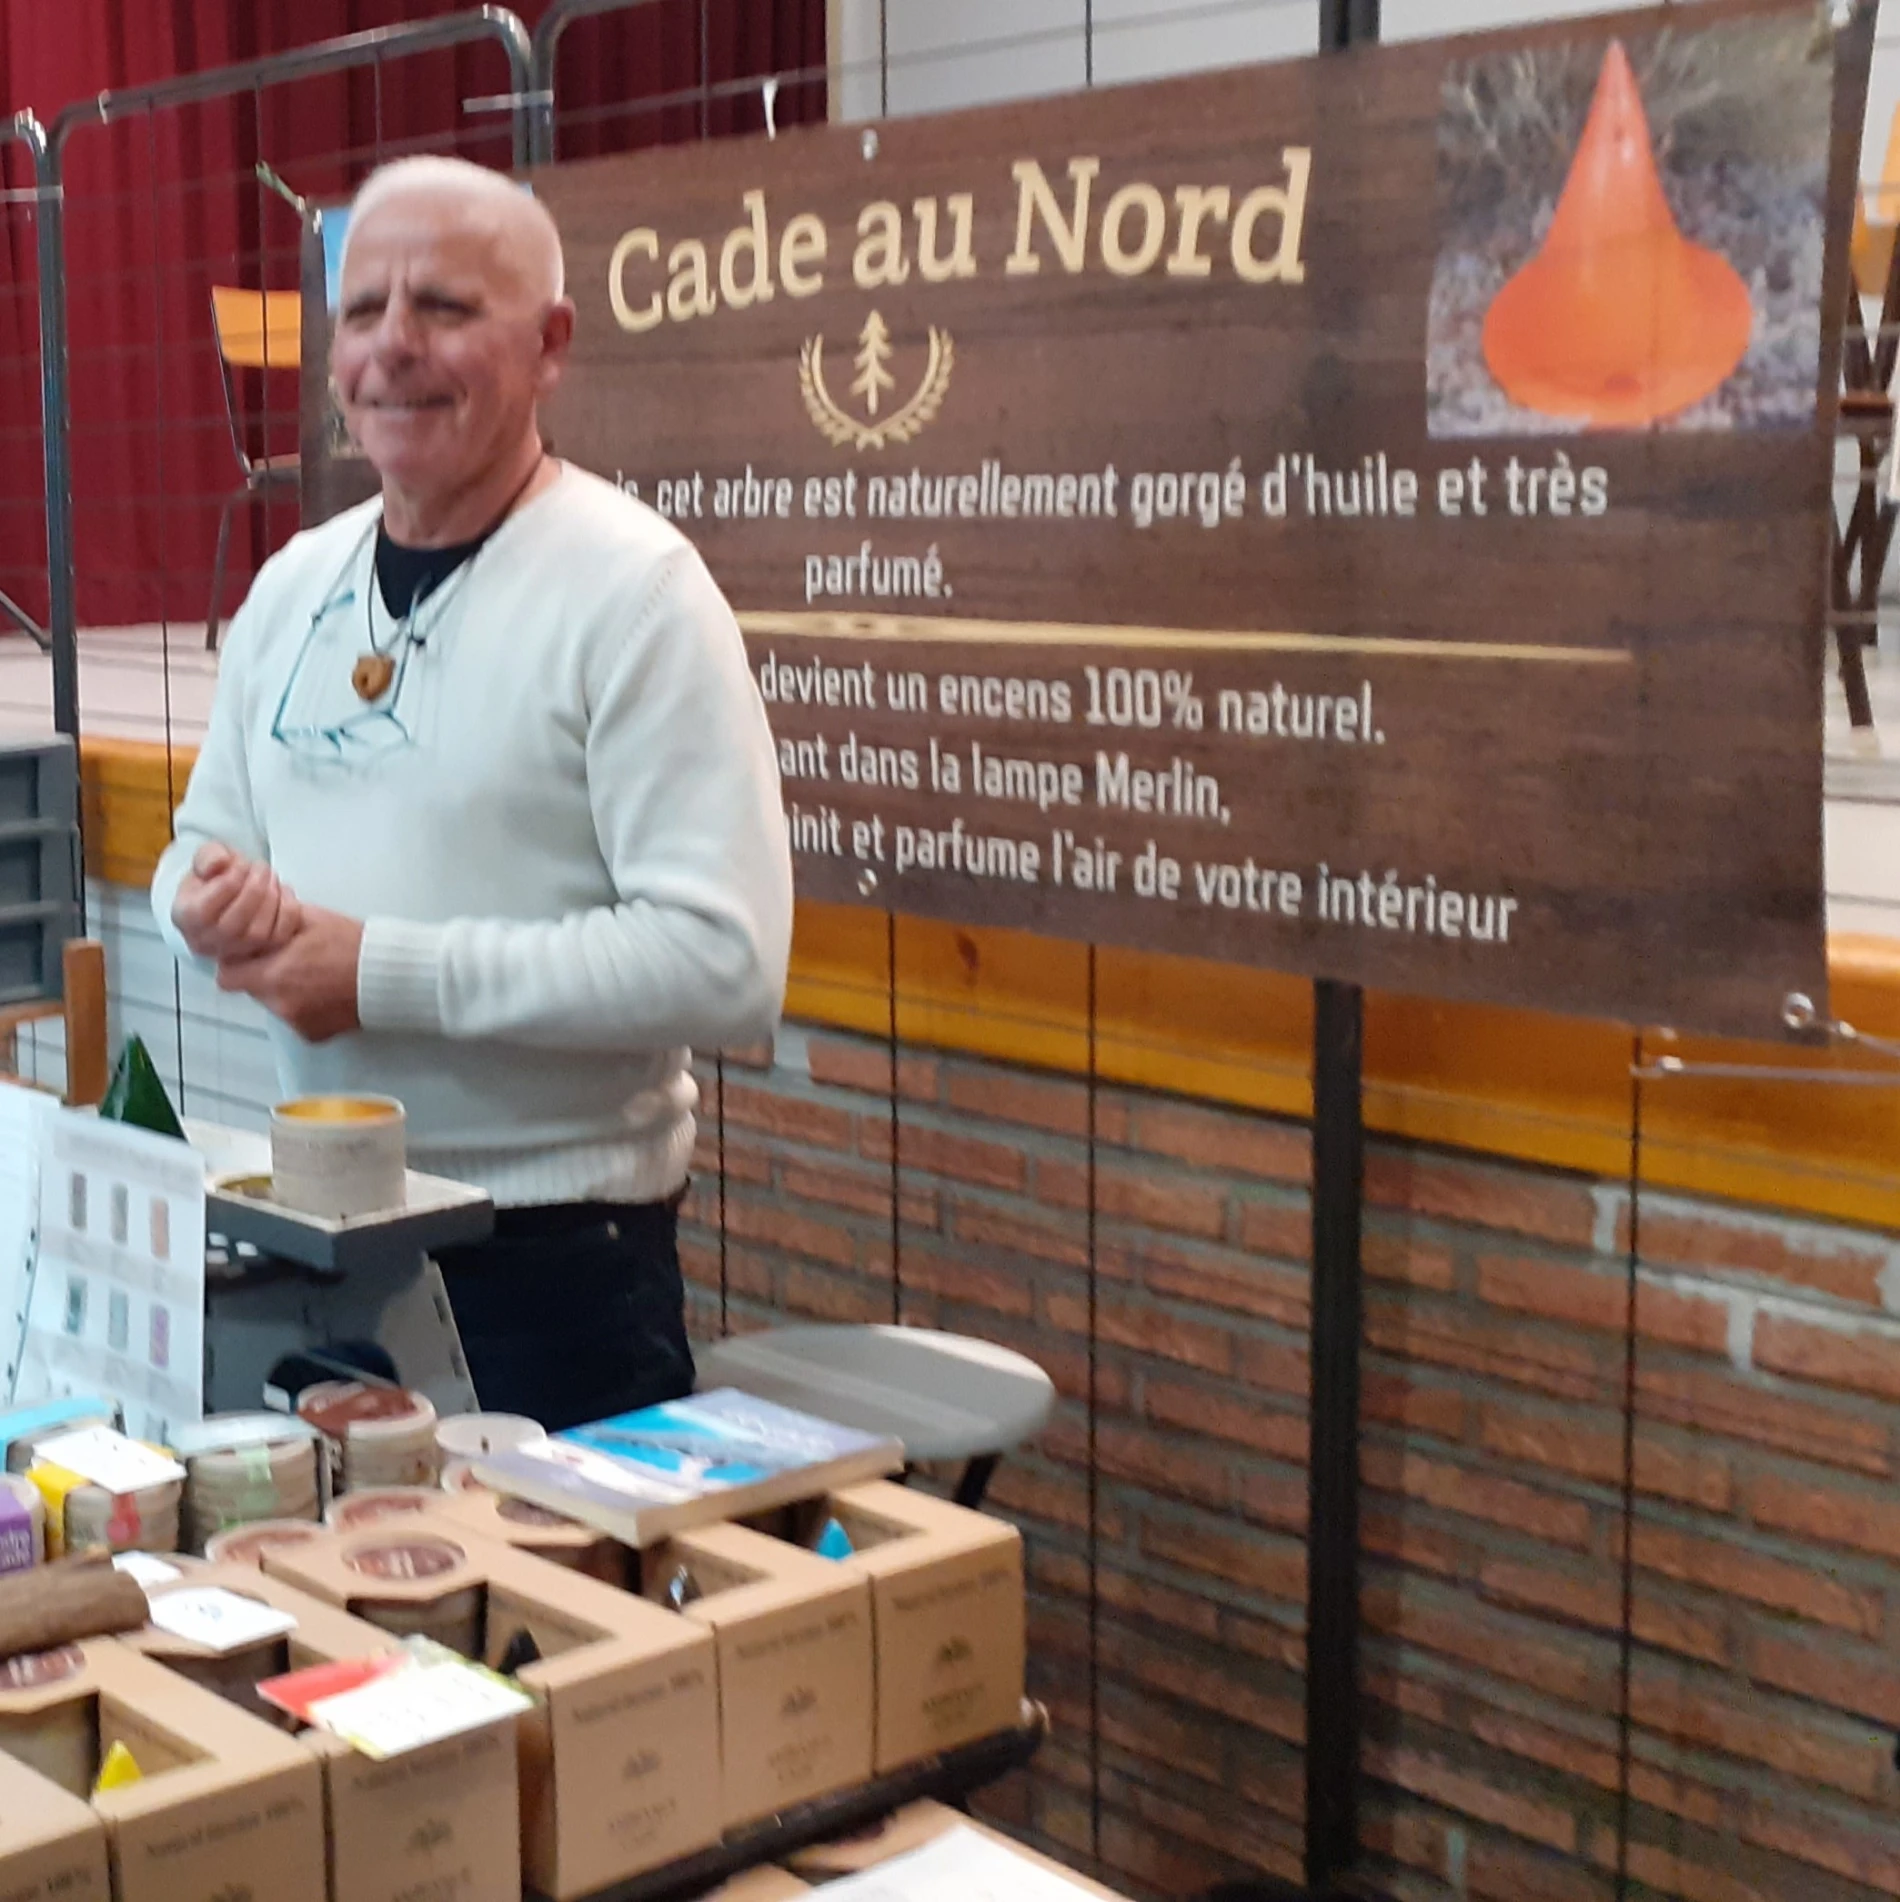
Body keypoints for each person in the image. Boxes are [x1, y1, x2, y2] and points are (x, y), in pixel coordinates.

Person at [152, 155, 793, 1431]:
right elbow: (197, 845)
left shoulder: (637, 595)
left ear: (549, 345)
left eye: (444, 307)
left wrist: (376, 973)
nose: (393, 346)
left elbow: (723, 964)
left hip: (552, 1269)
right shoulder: (293, 587)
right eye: (362, 311)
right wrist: (203, 904)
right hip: (322, 1233)